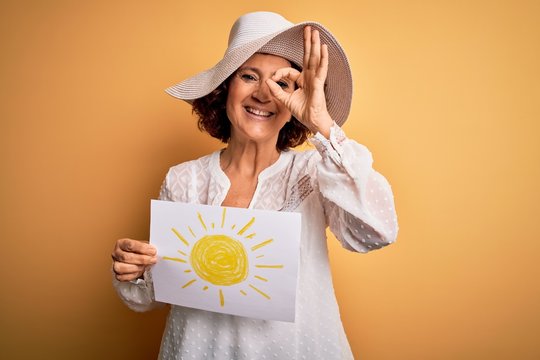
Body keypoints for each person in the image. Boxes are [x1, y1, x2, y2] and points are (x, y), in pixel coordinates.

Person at [111, 11, 398, 360]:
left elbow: (376, 230)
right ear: (226, 88)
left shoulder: (315, 173)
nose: (264, 94)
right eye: (249, 76)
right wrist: (136, 271)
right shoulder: (183, 179)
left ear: (297, 100)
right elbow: (157, 293)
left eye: (281, 83)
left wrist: (322, 123)